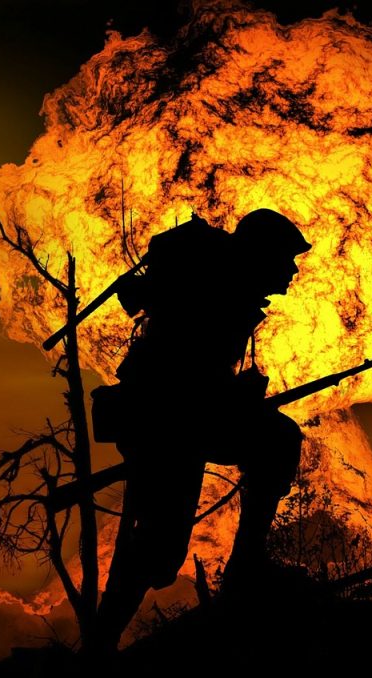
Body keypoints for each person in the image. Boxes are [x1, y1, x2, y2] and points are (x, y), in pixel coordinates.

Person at [93, 209, 311, 651]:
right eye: (286, 257)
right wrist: (235, 397)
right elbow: (184, 372)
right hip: (167, 424)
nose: (292, 269)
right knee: (159, 553)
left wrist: (234, 394)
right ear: (261, 254)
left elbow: (198, 372)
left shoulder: (230, 290)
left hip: (184, 419)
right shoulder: (219, 292)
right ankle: (101, 643)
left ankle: (245, 568)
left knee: (277, 440)